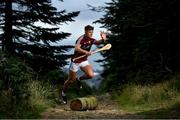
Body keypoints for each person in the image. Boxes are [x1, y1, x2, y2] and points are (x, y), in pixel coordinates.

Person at [61, 25, 107, 104]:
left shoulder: (91, 39)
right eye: (89, 32)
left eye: (92, 32)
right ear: (85, 31)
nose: (91, 34)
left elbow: (98, 43)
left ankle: (79, 79)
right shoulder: (81, 39)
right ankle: (63, 94)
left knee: (91, 75)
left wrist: (103, 38)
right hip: (76, 62)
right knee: (70, 80)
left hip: (84, 61)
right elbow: (77, 48)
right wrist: (86, 52)